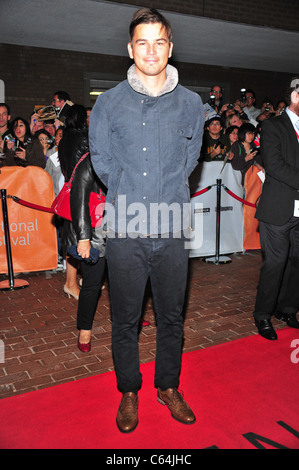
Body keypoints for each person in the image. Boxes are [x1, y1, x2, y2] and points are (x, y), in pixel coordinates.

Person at [89, 8, 205, 433]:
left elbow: (191, 158)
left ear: (170, 47)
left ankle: (168, 386)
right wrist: (127, 191)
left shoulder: (192, 103)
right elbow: (101, 159)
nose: (151, 50)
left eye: (160, 41)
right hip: (125, 227)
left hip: (172, 226)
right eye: (143, 42)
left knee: (172, 316)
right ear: (130, 48)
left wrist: (170, 188)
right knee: (125, 318)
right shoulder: (110, 102)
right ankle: (129, 391)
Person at [253, 78, 299, 340]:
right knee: (276, 263)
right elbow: (275, 165)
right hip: (278, 209)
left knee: (297, 262)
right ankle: (262, 315)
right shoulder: (272, 126)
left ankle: (287, 309)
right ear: (295, 97)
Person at [59, 104, 106, 352]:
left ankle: (129, 318)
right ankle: (84, 329)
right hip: (95, 231)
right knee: (92, 283)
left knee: (126, 282)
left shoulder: (126, 159)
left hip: (123, 231)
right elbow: (78, 202)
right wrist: (84, 238)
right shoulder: (90, 160)